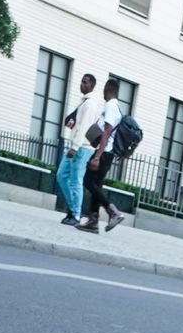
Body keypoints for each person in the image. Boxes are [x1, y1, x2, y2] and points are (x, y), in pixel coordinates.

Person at [77, 79, 128, 233]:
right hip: (106, 151)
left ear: (108, 89)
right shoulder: (115, 107)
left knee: (88, 181)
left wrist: (97, 156)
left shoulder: (111, 106)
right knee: (95, 186)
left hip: (104, 152)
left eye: (104, 89)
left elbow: (107, 131)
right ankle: (93, 221)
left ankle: (113, 212)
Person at [55, 73, 99, 227]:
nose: (82, 84)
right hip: (75, 145)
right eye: (82, 81)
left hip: (81, 148)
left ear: (92, 86)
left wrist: (74, 147)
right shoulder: (84, 101)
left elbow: (84, 127)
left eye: (85, 82)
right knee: (61, 176)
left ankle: (76, 214)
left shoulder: (90, 104)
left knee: (76, 181)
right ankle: (73, 208)